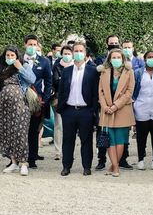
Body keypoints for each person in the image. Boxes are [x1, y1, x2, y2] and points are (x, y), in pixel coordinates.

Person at [0, 46, 36, 176]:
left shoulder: (24, 66)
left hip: (20, 106)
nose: (10, 58)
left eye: (12, 55)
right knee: (6, 132)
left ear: (17, 56)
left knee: (20, 132)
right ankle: (13, 162)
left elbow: (32, 79)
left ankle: (23, 162)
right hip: (3, 107)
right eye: (8, 55)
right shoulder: (0, 69)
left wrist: (20, 68)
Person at [57, 42, 98, 176]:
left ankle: (87, 167)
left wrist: (93, 110)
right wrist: (62, 109)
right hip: (69, 110)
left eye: (81, 50)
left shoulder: (92, 71)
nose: (78, 53)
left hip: (86, 111)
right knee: (68, 140)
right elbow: (62, 90)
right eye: (76, 51)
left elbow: (95, 93)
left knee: (86, 140)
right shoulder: (67, 70)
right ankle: (66, 166)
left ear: (85, 53)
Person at [98, 48, 135, 177]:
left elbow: (129, 92)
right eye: (113, 57)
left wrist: (115, 106)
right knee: (110, 141)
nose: (116, 60)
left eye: (118, 57)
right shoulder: (104, 72)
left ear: (123, 59)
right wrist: (105, 106)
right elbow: (101, 92)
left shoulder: (129, 72)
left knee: (120, 140)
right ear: (109, 59)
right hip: (107, 110)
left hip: (122, 110)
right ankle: (115, 166)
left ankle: (114, 165)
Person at [24, 34, 52, 169]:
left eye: (34, 44)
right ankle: (17, 157)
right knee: (20, 129)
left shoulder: (44, 61)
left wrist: (45, 99)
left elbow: (48, 81)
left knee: (33, 130)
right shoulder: (18, 59)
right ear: (25, 45)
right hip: (21, 100)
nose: (32, 47)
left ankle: (32, 158)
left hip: (37, 100)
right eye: (30, 44)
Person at [133, 51, 153, 170]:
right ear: (145, 59)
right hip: (141, 106)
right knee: (141, 135)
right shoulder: (138, 72)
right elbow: (134, 89)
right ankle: (140, 159)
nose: (151, 59)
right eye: (149, 57)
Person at [51, 45, 74, 161]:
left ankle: (68, 150)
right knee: (58, 125)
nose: (66, 55)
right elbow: (55, 81)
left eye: (69, 53)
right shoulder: (57, 65)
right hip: (59, 99)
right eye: (64, 53)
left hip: (73, 99)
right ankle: (58, 151)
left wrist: (63, 80)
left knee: (70, 126)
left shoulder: (76, 65)